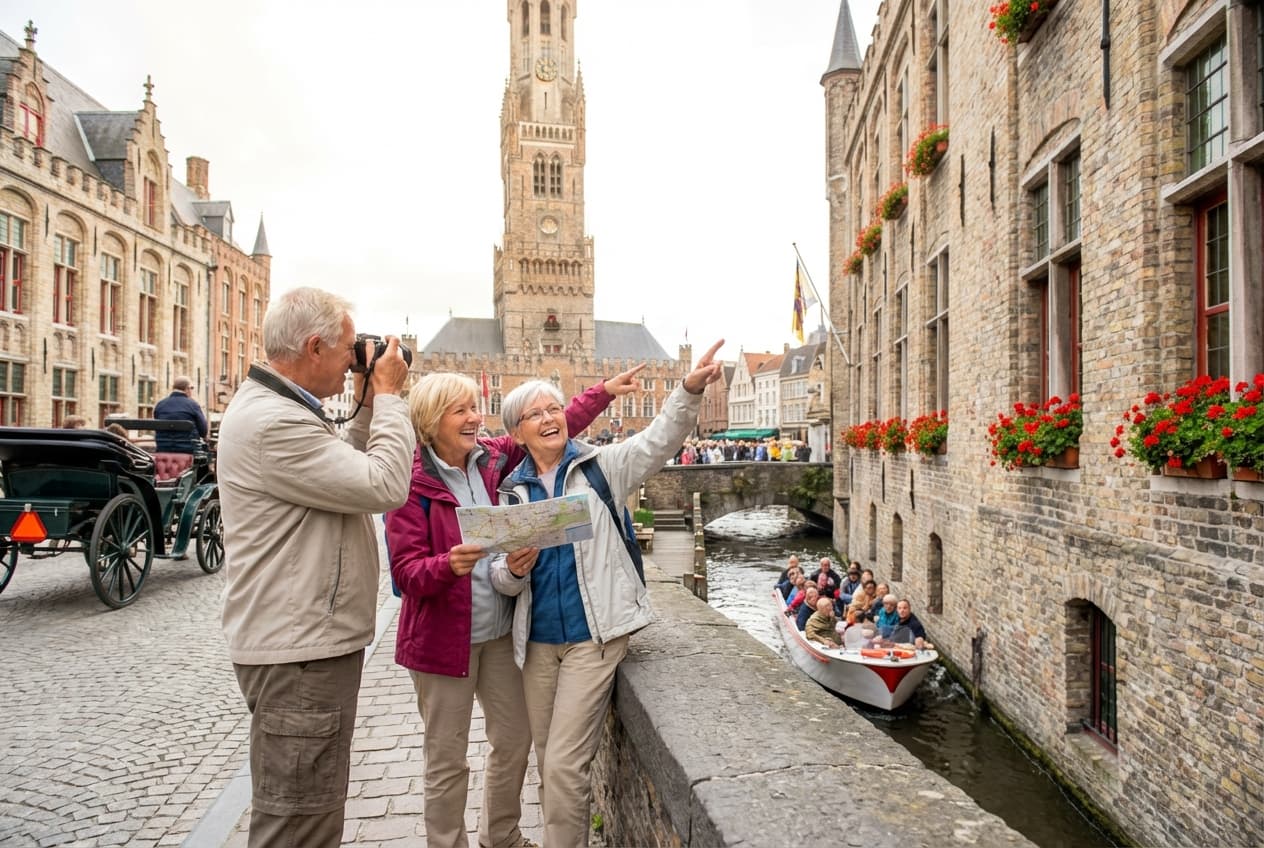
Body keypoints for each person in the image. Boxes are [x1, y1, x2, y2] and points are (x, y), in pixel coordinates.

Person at [383, 365, 641, 848]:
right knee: (447, 757)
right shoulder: (410, 484)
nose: (474, 418)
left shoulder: (490, 460)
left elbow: (548, 424)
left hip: (499, 634)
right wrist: (447, 566)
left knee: (514, 740)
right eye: (461, 410)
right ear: (432, 420)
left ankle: (500, 836)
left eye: (474, 408)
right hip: (443, 644)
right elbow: (404, 574)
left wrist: (603, 392)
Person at [491, 340, 724, 847]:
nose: (549, 418)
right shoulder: (511, 492)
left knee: (565, 764)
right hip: (536, 643)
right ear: (517, 432)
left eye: (555, 408)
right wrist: (511, 569)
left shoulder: (602, 467)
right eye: (535, 414)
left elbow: (660, 440)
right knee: (549, 758)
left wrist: (686, 390)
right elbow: (497, 577)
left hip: (592, 639)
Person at [217, 287, 415, 847]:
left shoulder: (280, 410)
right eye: (349, 349)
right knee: (298, 827)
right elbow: (383, 484)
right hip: (299, 652)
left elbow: (343, 474)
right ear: (312, 346)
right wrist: (392, 396)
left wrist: (367, 400)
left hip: (301, 644)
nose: (356, 357)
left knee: (309, 812)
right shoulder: (274, 423)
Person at [153, 376, 209, 453]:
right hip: (188, 450)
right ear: (187, 388)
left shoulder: (160, 405)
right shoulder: (193, 405)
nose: (191, 391)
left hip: (163, 448)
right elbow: (203, 431)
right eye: (191, 388)